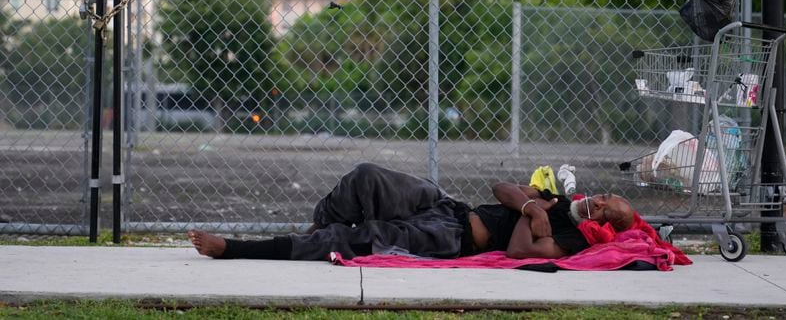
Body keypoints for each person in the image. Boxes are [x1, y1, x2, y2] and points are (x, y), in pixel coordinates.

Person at [188, 162, 634, 261]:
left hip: (453, 240)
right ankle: (317, 226)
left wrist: (531, 214)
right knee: (367, 177)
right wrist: (534, 202)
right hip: (447, 208)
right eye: (603, 196)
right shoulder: (555, 196)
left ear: (600, 225)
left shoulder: (574, 239)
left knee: (357, 239)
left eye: (604, 209)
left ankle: (234, 248)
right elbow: (501, 186)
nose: (596, 200)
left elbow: (520, 251)